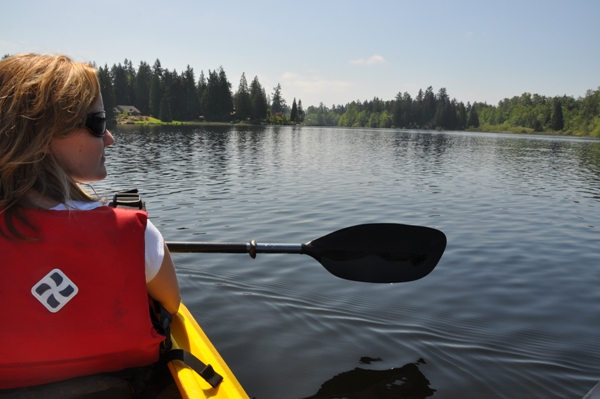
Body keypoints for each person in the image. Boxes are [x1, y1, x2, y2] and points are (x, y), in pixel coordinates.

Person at [0, 53, 181, 390]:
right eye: (98, 123)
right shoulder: (135, 233)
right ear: (42, 134)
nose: (110, 138)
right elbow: (171, 302)